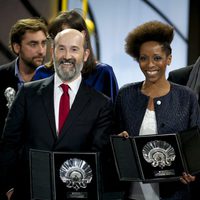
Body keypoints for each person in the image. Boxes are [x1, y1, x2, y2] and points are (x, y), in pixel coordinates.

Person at [0, 28, 113, 200]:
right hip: (27, 194)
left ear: (85, 54)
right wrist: (9, 187)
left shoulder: (101, 104)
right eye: (61, 48)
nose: (67, 56)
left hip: (76, 194)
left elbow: (98, 157)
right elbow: (9, 143)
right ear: (52, 52)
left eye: (74, 49)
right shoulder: (27, 93)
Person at [114, 21, 200, 200]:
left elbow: (193, 148)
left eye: (157, 58)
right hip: (133, 195)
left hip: (174, 194)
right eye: (143, 58)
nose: (150, 65)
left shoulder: (187, 97)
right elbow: (113, 141)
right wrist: (119, 141)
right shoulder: (125, 95)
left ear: (168, 59)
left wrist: (192, 172)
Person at [33, 9, 119, 103]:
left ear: (83, 36)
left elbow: (114, 114)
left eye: (66, 36)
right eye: (54, 38)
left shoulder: (103, 73)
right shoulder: (42, 73)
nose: (59, 42)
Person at [0, 18, 48, 138]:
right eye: (33, 44)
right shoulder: (1, 76)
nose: (41, 51)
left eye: (43, 43)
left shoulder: (54, 80)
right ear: (17, 47)